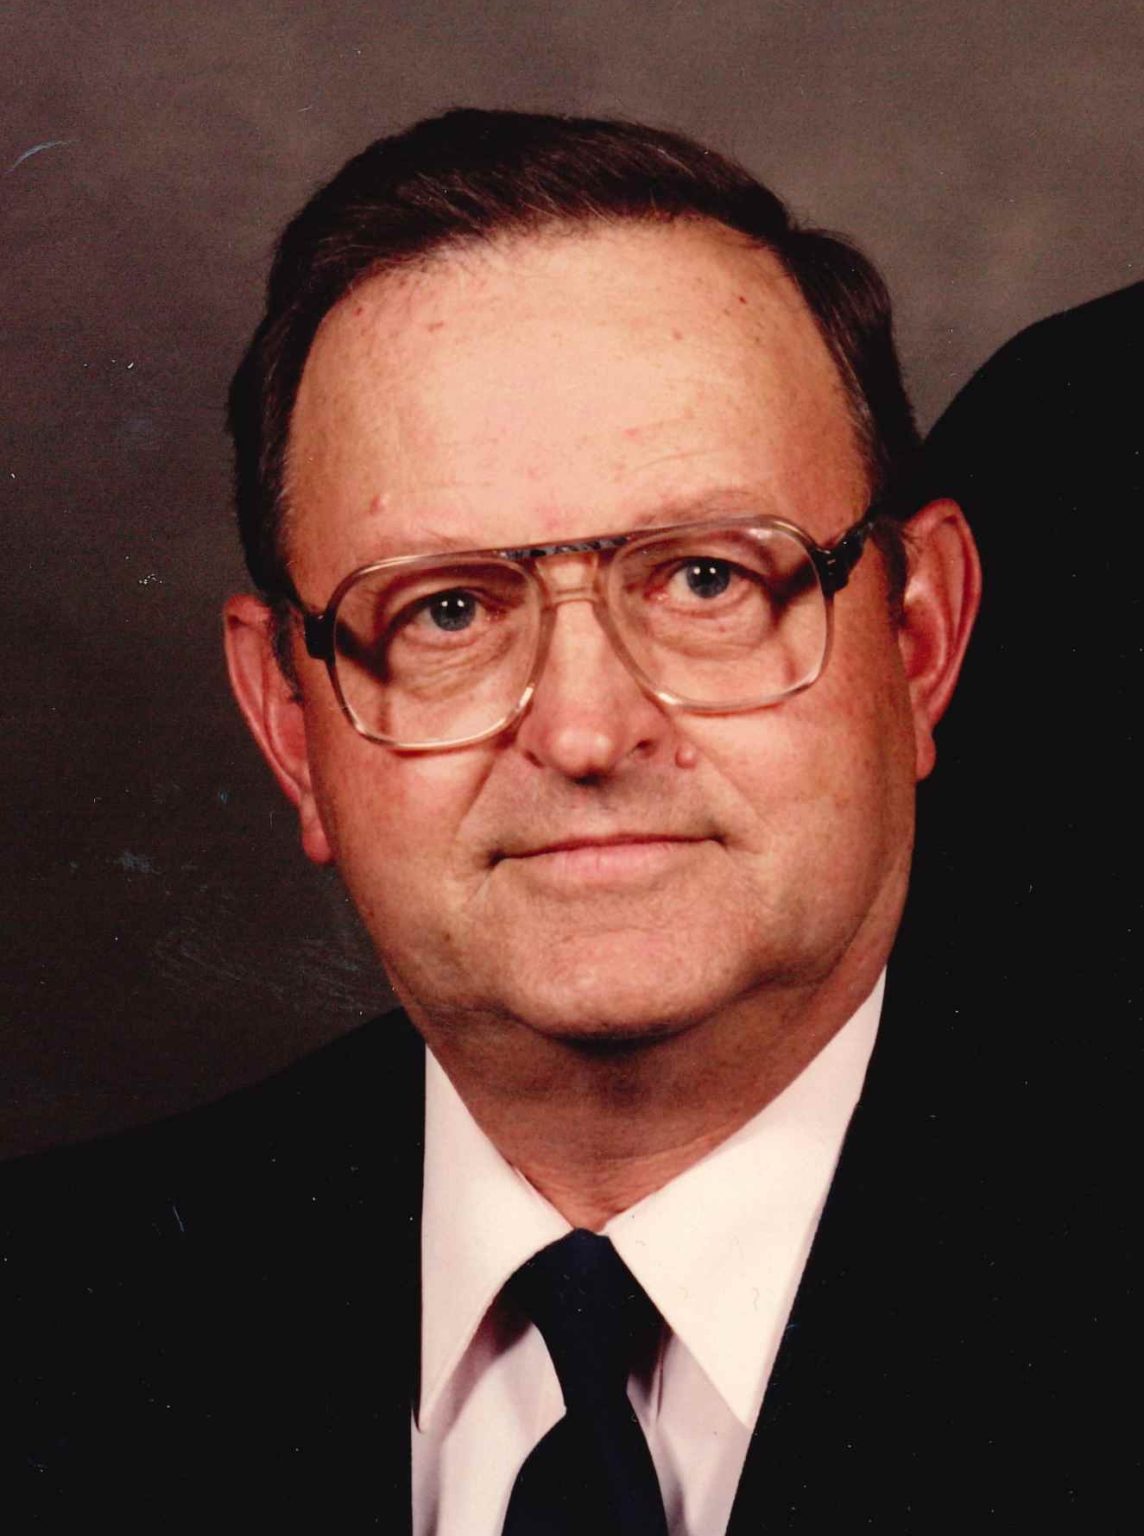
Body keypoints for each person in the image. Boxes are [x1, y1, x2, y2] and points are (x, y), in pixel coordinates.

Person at [1, 109, 1103, 1529]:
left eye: (707, 579)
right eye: (448, 609)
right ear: (288, 722)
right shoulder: (47, 1324)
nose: (585, 732)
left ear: (918, 639)